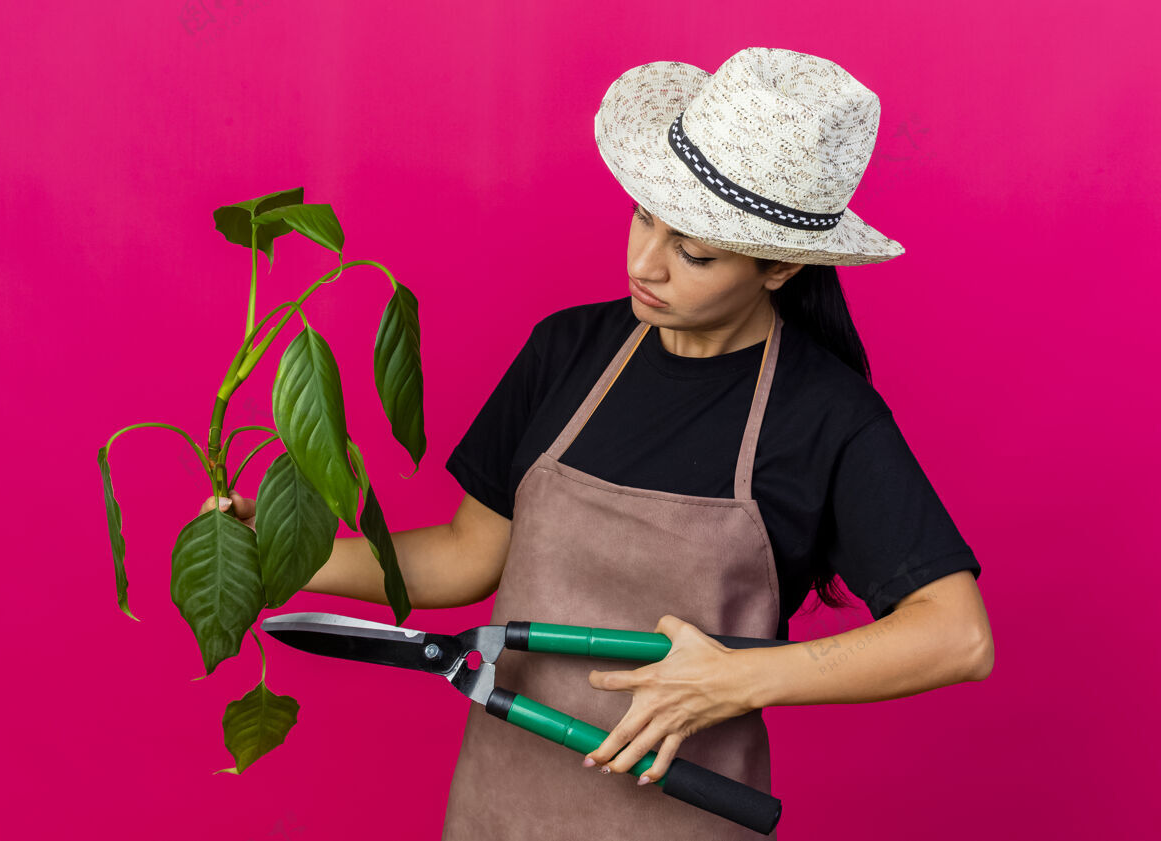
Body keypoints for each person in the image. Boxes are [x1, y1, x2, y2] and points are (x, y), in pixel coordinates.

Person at [203, 47, 993, 840]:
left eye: (694, 251)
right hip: (498, 804)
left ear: (779, 268)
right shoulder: (566, 351)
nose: (645, 263)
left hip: (685, 812)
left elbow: (955, 633)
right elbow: (465, 555)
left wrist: (740, 678)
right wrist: (270, 549)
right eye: (646, 214)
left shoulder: (825, 413)